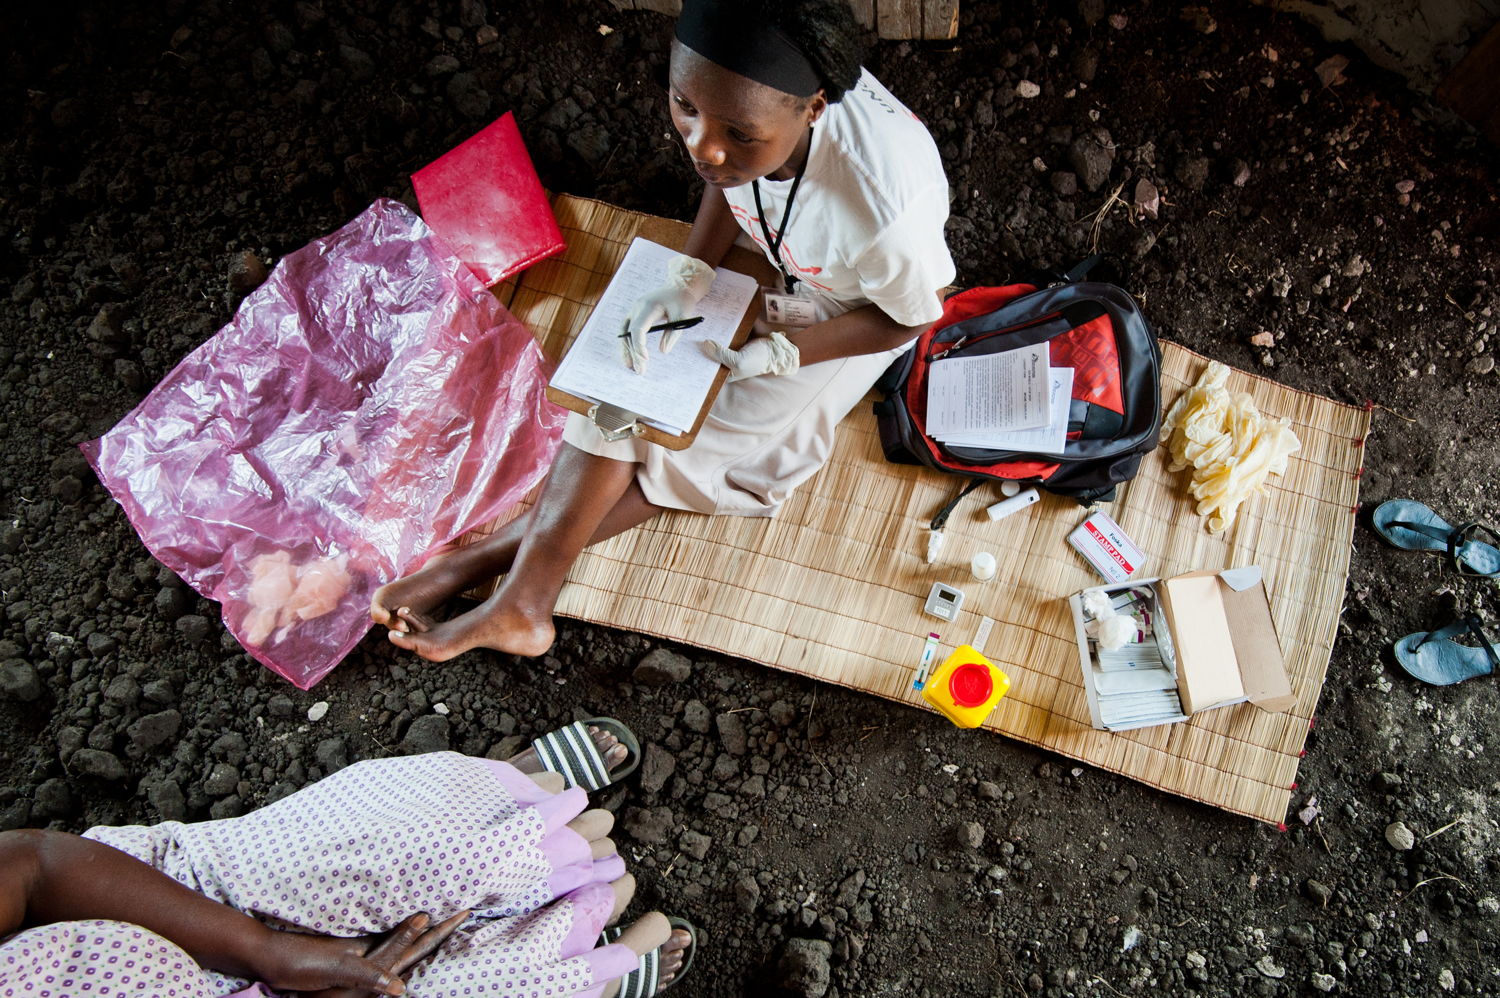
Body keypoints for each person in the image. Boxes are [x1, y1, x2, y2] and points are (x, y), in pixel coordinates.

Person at [371, 0, 955, 661]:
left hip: (849, 306)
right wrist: (690, 275)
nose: (703, 145)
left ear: (813, 110)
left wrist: (788, 350)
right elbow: (728, 180)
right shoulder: (745, 118)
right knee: (624, 375)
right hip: (775, 243)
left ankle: (485, 562)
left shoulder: (882, 213)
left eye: (737, 132)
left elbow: (916, 312)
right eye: (685, 106)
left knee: (714, 447)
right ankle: (526, 602)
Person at [0, 725, 693, 998]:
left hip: (182, 899)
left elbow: (34, 867)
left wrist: (272, 954)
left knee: (412, 855)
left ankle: (501, 790)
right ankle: (587, 962)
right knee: (498, 982)